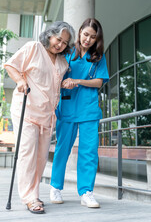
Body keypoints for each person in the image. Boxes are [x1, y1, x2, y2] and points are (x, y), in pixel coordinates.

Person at [4, 21, 75, 214]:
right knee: (28, 153)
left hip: (47, 114)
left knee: (42, 156)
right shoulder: (33, 48)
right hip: (26, 109)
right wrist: (19, 80)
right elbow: (11, 65)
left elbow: (51, 84)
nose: (60, 45)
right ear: (50, 35)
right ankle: (29, 197)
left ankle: (33, 192)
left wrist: (66, 84)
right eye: (58, 39)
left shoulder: (62, 62)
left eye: (64, 43)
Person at [50, 18, 109, 208]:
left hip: (89, 109)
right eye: (85, 34)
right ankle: (56, 187)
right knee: (62, 149)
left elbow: (100, 82)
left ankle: (86, 192)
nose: (88, 40)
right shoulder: (67, 53)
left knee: (89, 152)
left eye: (93, 37)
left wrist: (78, 81)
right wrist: (64, 83)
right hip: (67, 107)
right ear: (80, 32)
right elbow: (55, 76)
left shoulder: (98, 57)